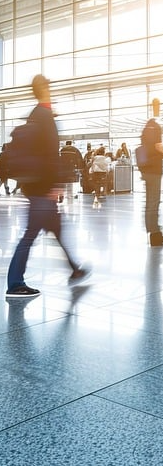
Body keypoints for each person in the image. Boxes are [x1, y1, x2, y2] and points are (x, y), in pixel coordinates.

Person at [6, 75, 90, 298]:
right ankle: (14, 283)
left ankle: (75, 269)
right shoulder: (45, 115)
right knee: (30, 234)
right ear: (45, 89)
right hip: (43, 188)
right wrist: (55, 185)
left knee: (57, 231)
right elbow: (52, 153)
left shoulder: (34, 116)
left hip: (35, 185)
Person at [139, 98, 163, 246]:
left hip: (146, 169)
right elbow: (158, 146)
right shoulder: (155, 126)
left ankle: (153, 232)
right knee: (154, 201)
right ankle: (155, 235)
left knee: (149, 202)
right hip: (154, 170)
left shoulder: (145, 128)